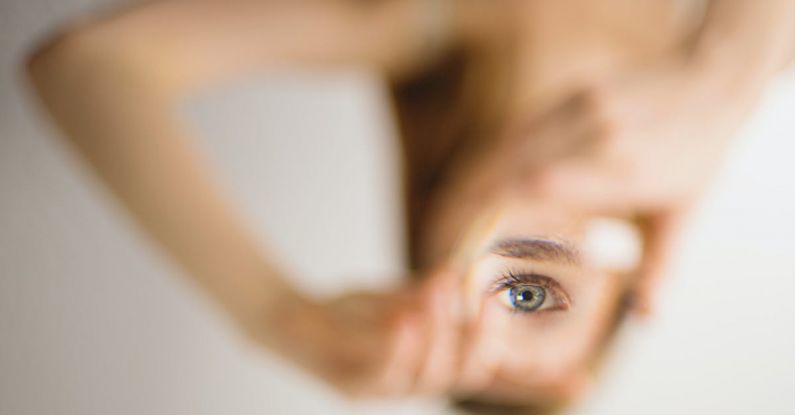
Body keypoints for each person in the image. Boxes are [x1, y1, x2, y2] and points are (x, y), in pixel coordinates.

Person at [25, 0, 795, 412]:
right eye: (530, 298)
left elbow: (86, 63)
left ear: (432, 219)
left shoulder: (406, 19)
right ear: (639, 253)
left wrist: (276, 314)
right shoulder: (740, 47)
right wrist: (721, 79)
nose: (488, 304)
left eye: (459, 318)